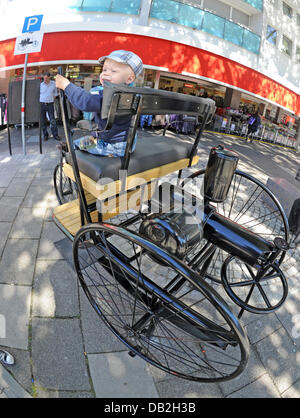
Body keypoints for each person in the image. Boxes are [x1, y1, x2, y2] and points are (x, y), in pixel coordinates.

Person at [55, 50, 143, 157]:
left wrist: (66, 85)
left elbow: (85, 101)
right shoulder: (132, 95)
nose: (106, 73)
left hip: (109, 145)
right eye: (104, 69)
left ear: (129, 78)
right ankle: (72, 146)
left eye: (113, 71)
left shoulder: (112, 95)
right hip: (127, 143)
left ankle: (70, 152)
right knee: (86, 140)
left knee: (77, 144)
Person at [40, 72, 61, 141]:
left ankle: (55, 135)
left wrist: (51, 98)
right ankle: (45, 135)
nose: (45, 79)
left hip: (50, 104)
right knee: (43, 121)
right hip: (42, 104)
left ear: (49, 77)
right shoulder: (41, 85)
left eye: (46, 78)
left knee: (52, 120)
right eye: (44, 78)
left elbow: (55, 93)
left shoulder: (53, 84)